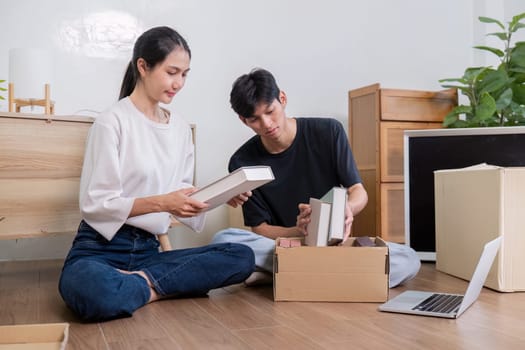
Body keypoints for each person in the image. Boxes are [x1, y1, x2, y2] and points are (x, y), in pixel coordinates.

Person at [58, 26, 255, 322]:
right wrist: (164, 203)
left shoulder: (180, 129)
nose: (179, 83)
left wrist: (219, 197)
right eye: (172, 72)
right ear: (143, 66)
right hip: (99, 251)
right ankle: (160, 286)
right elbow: (97, 203)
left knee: (242, 257)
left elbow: (183, 200)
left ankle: (139, 284)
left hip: (150, 253)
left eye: (185, 74)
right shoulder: (111, 122)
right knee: (93, 290)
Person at [212, 68, 420, 287]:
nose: (266, 124)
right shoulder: (241, 161)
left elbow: (358, 191)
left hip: (333, 246)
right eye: (254, 119)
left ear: (282, 99)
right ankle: (333, 278)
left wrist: (345, 210)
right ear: (244, 120)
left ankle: (289, 276)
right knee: (224, 239)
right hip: (285, 247)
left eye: (270, 111)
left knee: (408, 259)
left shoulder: (328, 131)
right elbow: (260, 228)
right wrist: (300, 230)